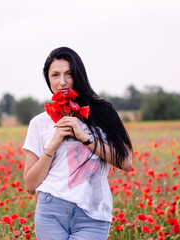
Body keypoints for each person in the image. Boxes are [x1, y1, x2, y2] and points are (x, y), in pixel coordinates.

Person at [22, 47, 133, 240]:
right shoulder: (39, 123)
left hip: (93, 213)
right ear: (48, 79)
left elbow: (126, 162)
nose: (62, 82)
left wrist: (86, 137)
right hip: (50, 211)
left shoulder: (102, 113)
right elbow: (30, 185)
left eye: (69, 74)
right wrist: (53, 145)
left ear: (79, 76)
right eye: (55, 75)